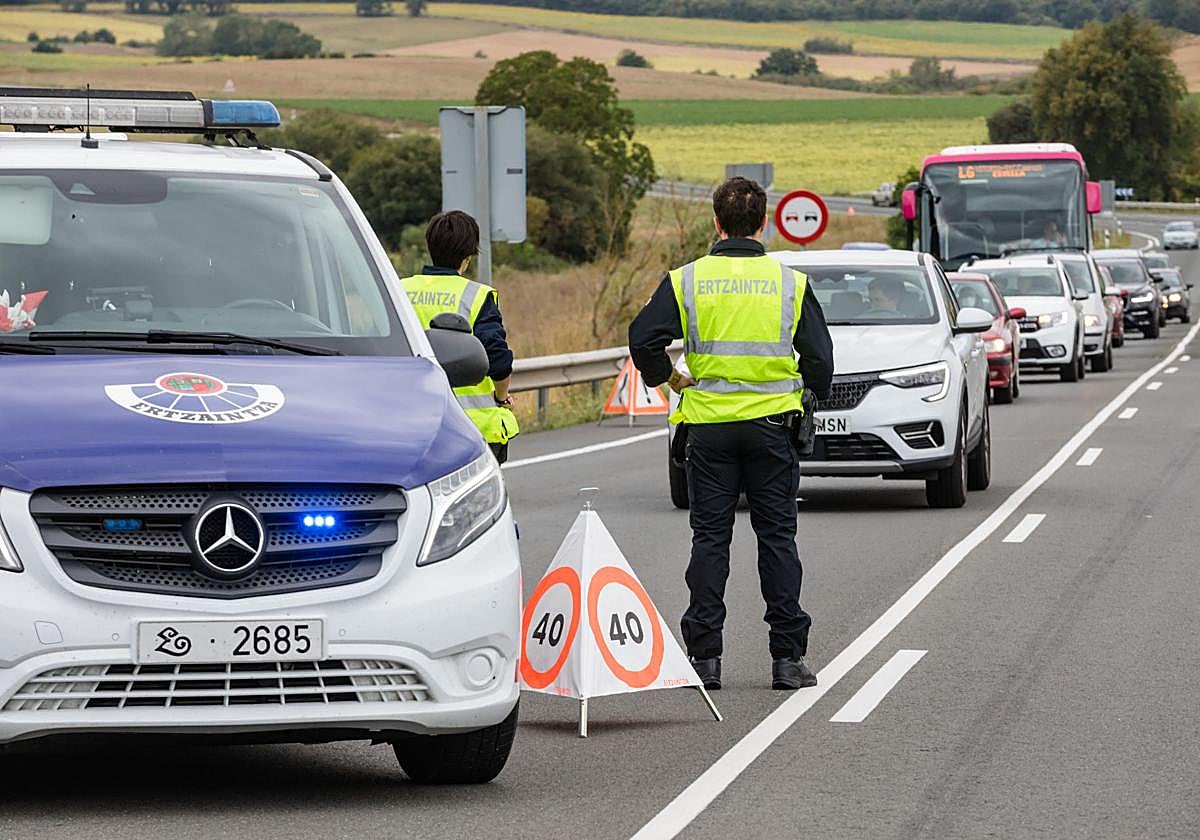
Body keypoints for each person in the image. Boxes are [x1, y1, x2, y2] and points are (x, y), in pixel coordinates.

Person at [628, 177, 834, 691]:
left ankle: (704, 661)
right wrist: (805, 398)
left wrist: (671, 379)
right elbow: (821, 363)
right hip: (771, 430)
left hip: (710, 430)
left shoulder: (687, 280)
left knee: (710, 540)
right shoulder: (791, 283)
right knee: (778, 541)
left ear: (716, 223)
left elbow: (642, 339)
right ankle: (787, 660)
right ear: (762, 223)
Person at [402, 211, 518, 463]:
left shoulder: (399, 290)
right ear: (467, 258)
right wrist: (501, 397)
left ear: (429, 246)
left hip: (410, 423)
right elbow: (498, 361)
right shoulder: (476, 296)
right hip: (472, 429)